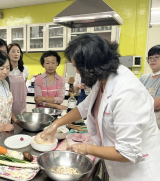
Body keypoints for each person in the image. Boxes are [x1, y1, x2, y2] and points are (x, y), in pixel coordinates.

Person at [37, 33, 160, 181]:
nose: (77, 72)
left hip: (139, 173)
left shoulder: (126, 92)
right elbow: (83, 108)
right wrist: (55, 124)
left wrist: (86, 148)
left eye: (77, 67)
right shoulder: (102, 79)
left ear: (91, 65)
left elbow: (128, 152)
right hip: (118, 169)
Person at [139, 45, 160, 128]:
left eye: (156, 57)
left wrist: (135, 107)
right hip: (142, 122)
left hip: (156, 124)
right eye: (150, 58)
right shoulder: (143, 78)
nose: (152, 60)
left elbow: (157, 104)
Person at [8, 43, 29, 115]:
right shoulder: (5, 70)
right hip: (8, 106)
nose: (16, 54)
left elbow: (23, 87)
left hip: (21, 106)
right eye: (13, 51)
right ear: (8, 54)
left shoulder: (25, 69)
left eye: (18, 51)